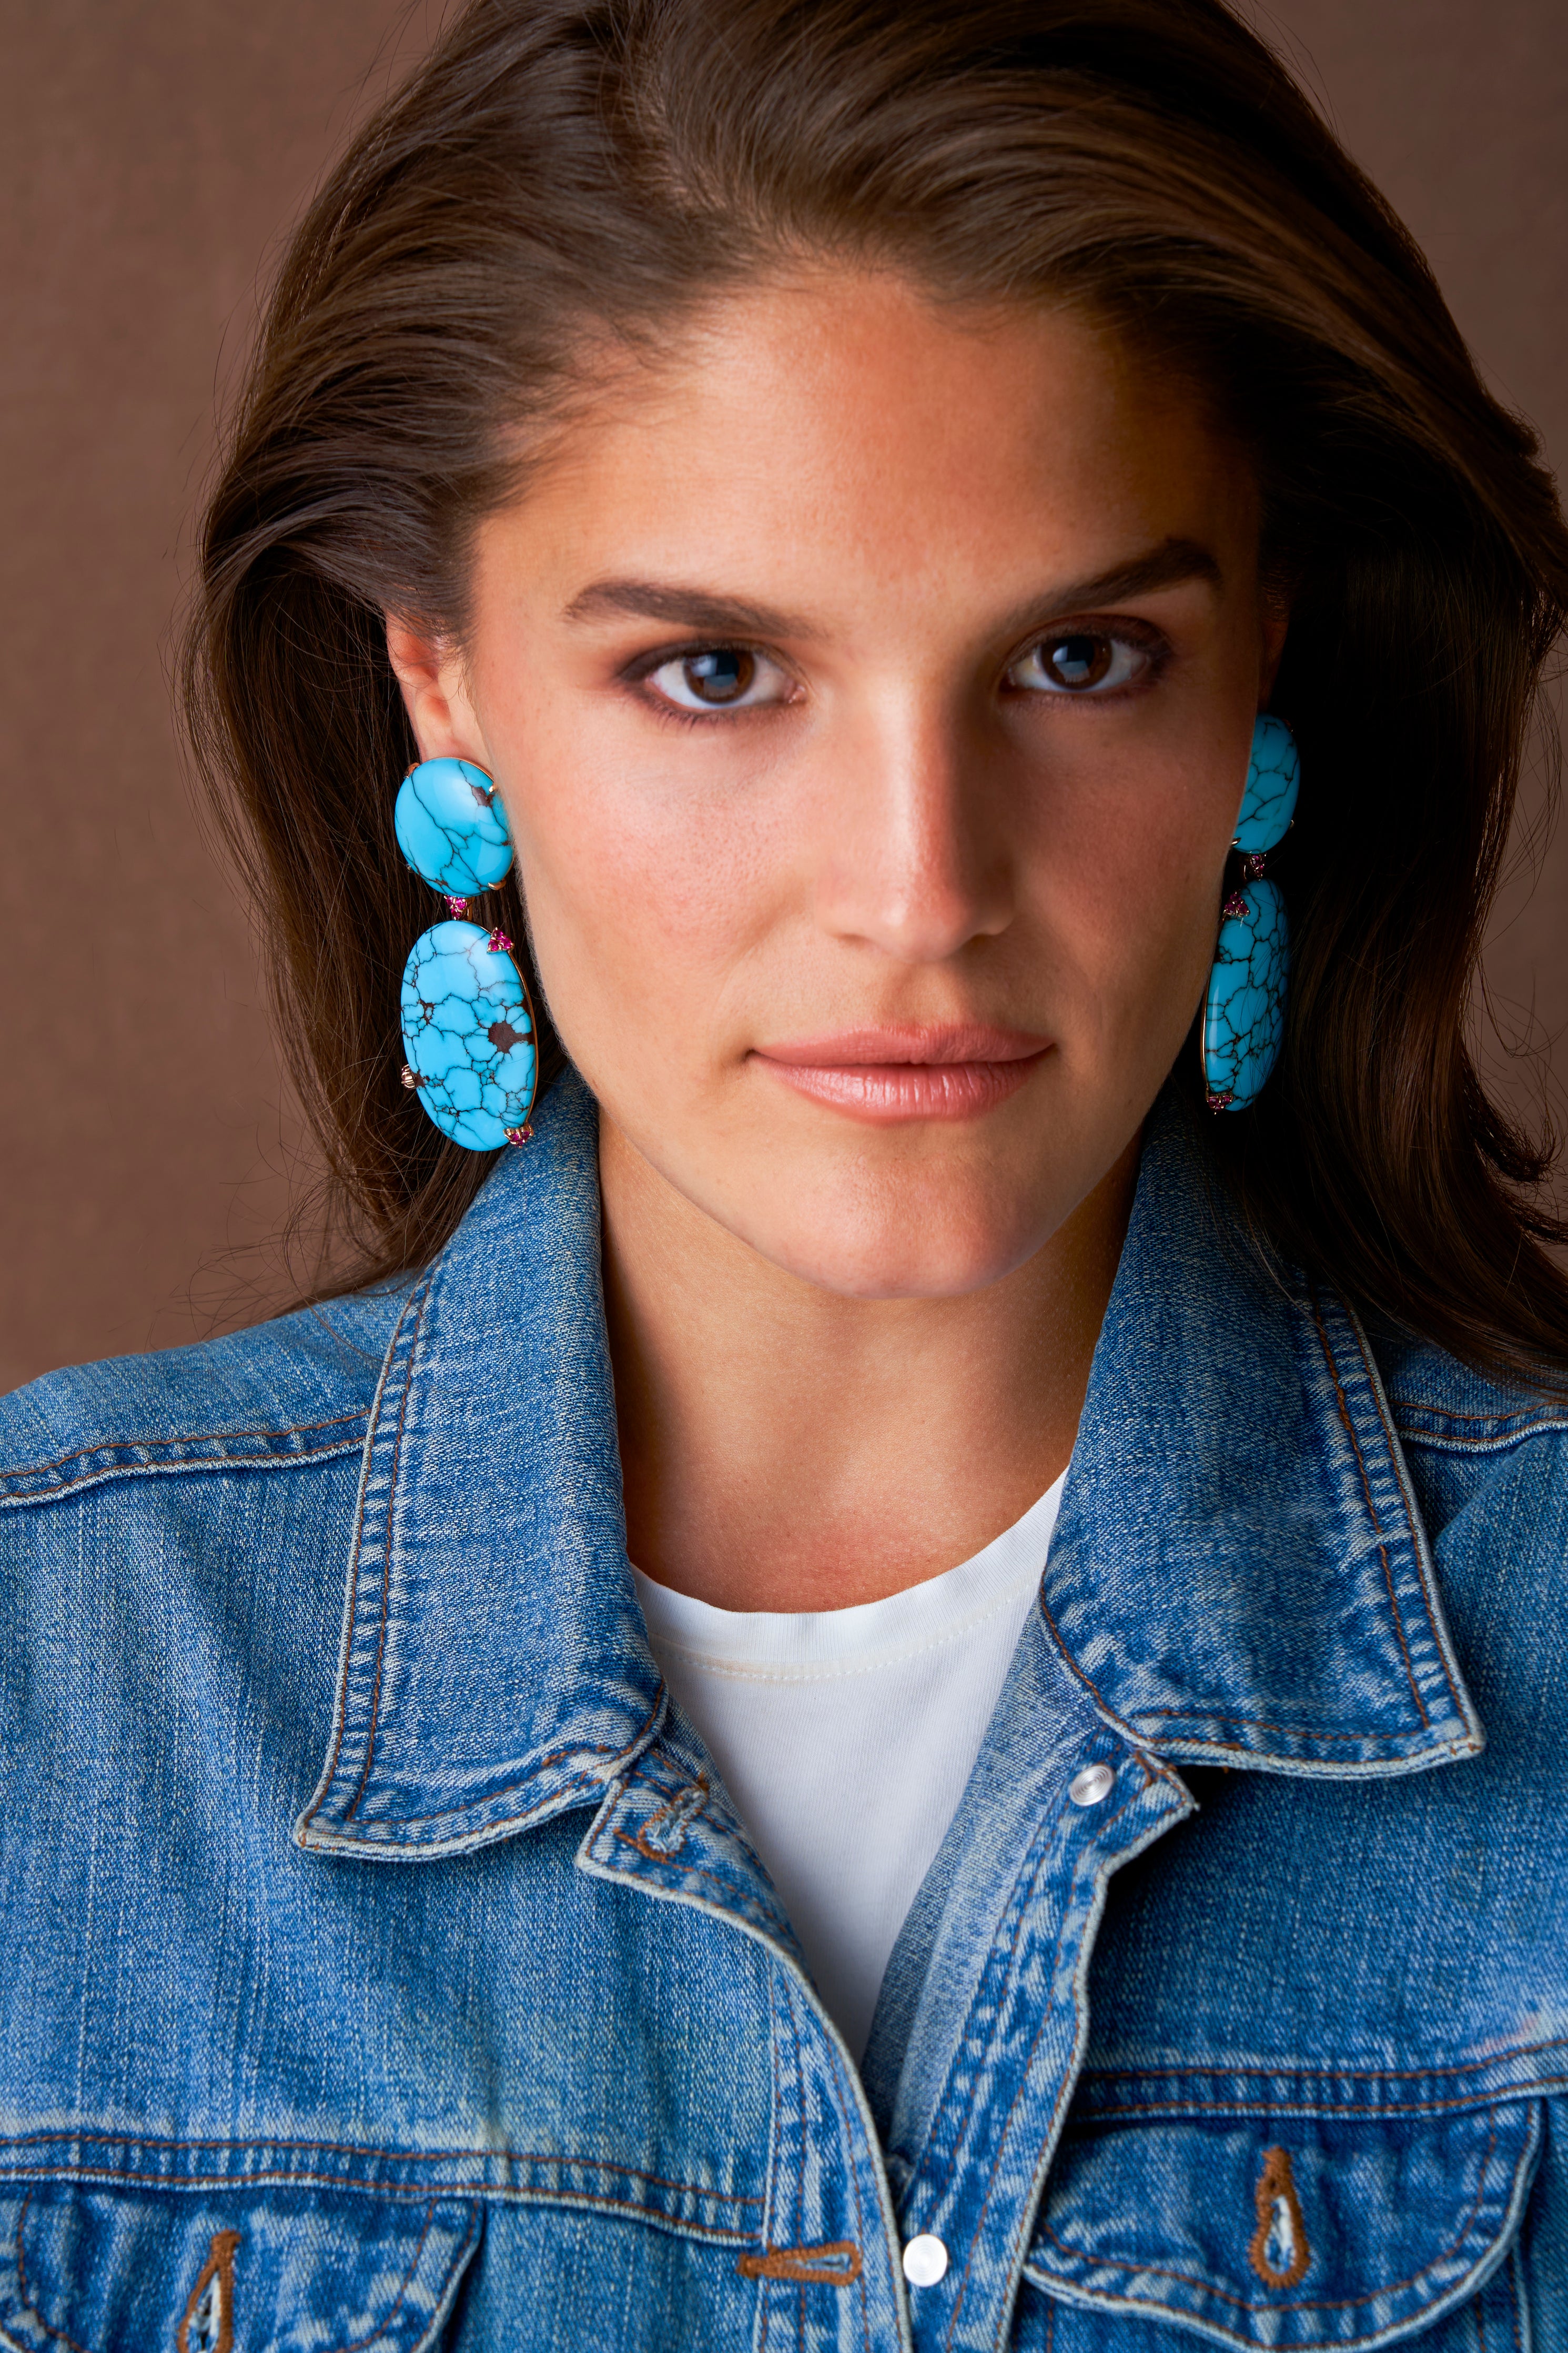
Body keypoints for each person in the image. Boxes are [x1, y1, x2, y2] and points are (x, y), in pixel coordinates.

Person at [3, 0, 1566, 2342]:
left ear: (1265, 663)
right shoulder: (55, 1682)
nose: (919, 888)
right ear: (442, 678)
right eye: (717, 670)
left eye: (1076, 656)